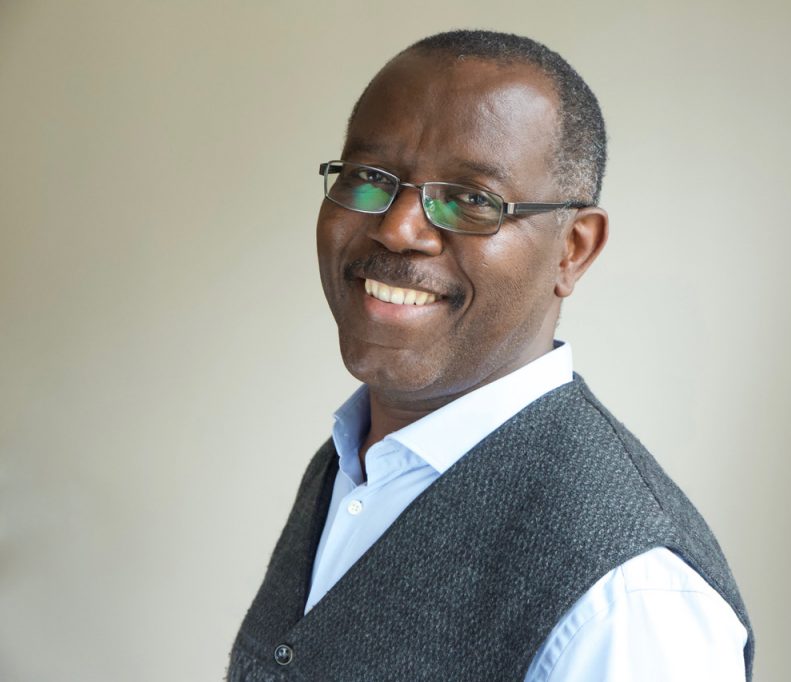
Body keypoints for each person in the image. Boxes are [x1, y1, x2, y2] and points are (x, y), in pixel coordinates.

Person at [229, 30, 753, 682]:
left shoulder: (629, 603)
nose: (397, 228)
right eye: (369, 178)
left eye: (471, 199)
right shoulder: (355, 461)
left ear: (573, 249)